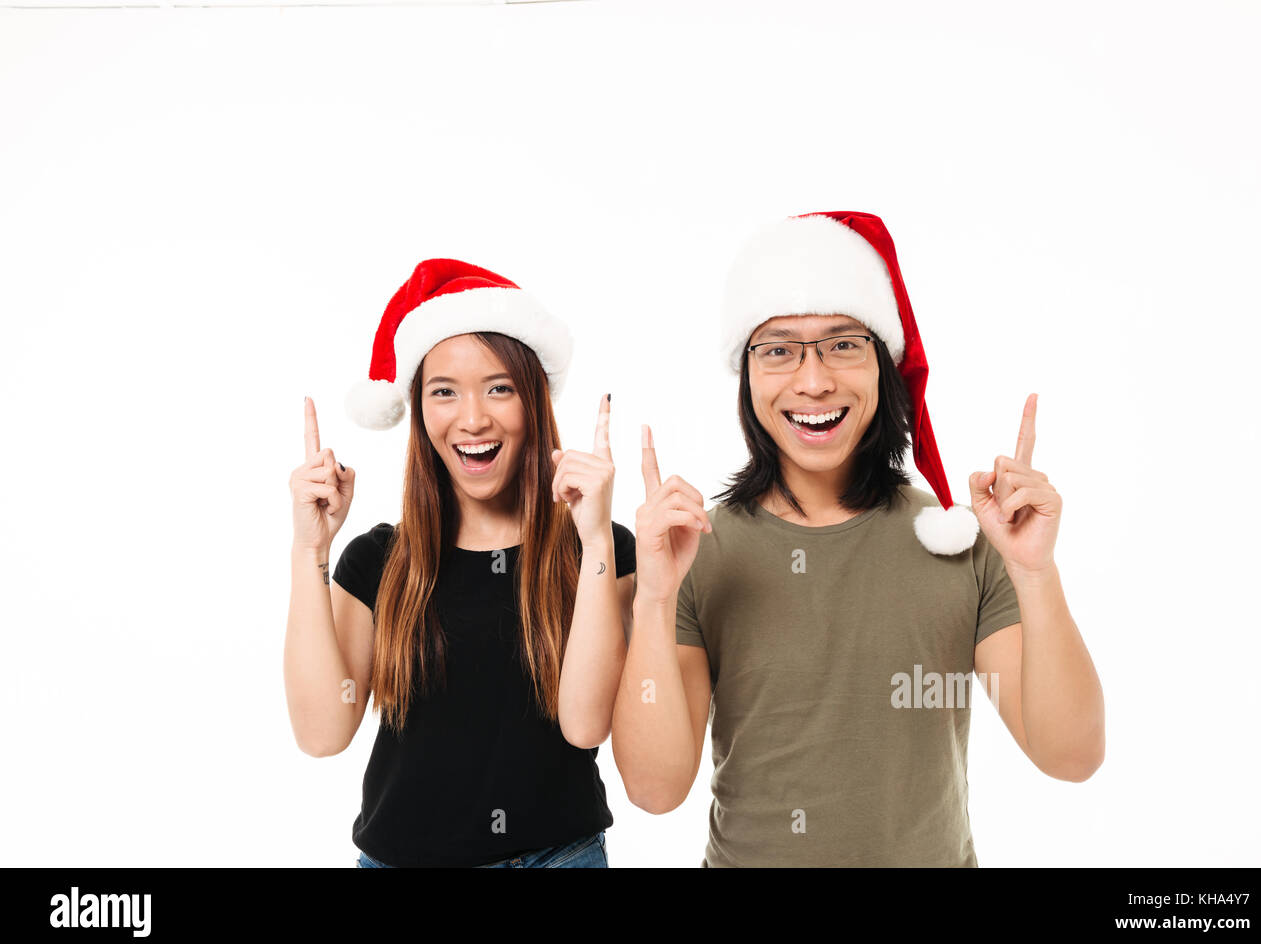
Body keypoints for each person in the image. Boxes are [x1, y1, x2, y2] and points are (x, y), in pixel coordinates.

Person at [612, 211, 1105, 866]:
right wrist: (651, 597)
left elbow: (1071, 755)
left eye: (842, 344)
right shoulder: (695, 549)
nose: (813, 381)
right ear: (747, 375)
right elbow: (654, 789)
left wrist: (1036, 573)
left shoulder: (959, 543)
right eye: (779, 348)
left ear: (883, 364)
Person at [284, 258, 635, 867]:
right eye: (444, 391)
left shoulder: (601, 549)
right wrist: (311, 549)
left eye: (499, 388)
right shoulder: (378, 562)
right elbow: (322, 733)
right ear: (418, 411)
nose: (472, 419)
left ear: (534, 401)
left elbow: (586, 725)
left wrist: (598, 541)